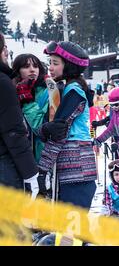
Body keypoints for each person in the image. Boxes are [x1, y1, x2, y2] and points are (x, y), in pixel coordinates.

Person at [38, 41, 96, 209]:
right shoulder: (69, 89)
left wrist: (42, 168)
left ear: (69, 66)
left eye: (55, 63)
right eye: (50, 62)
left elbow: (59, 131)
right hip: (74, 168)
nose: (50, 67)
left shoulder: (73, 92)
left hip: (76, 167)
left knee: (71, 227)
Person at [0, 33, 39, 199]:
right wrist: (30, 173)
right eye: (4, 48)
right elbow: (13, 131)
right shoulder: (3, 82)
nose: (6, 52)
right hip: (4, 164)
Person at [12, 54, 49, 164]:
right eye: (26, 66)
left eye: (35, 66)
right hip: (17, 158)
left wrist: (28, 102)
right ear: (18, 71)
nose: (32, 70)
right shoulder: (10, 91)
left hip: (40, 157)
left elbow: (41, 128)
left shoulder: (46, 92)